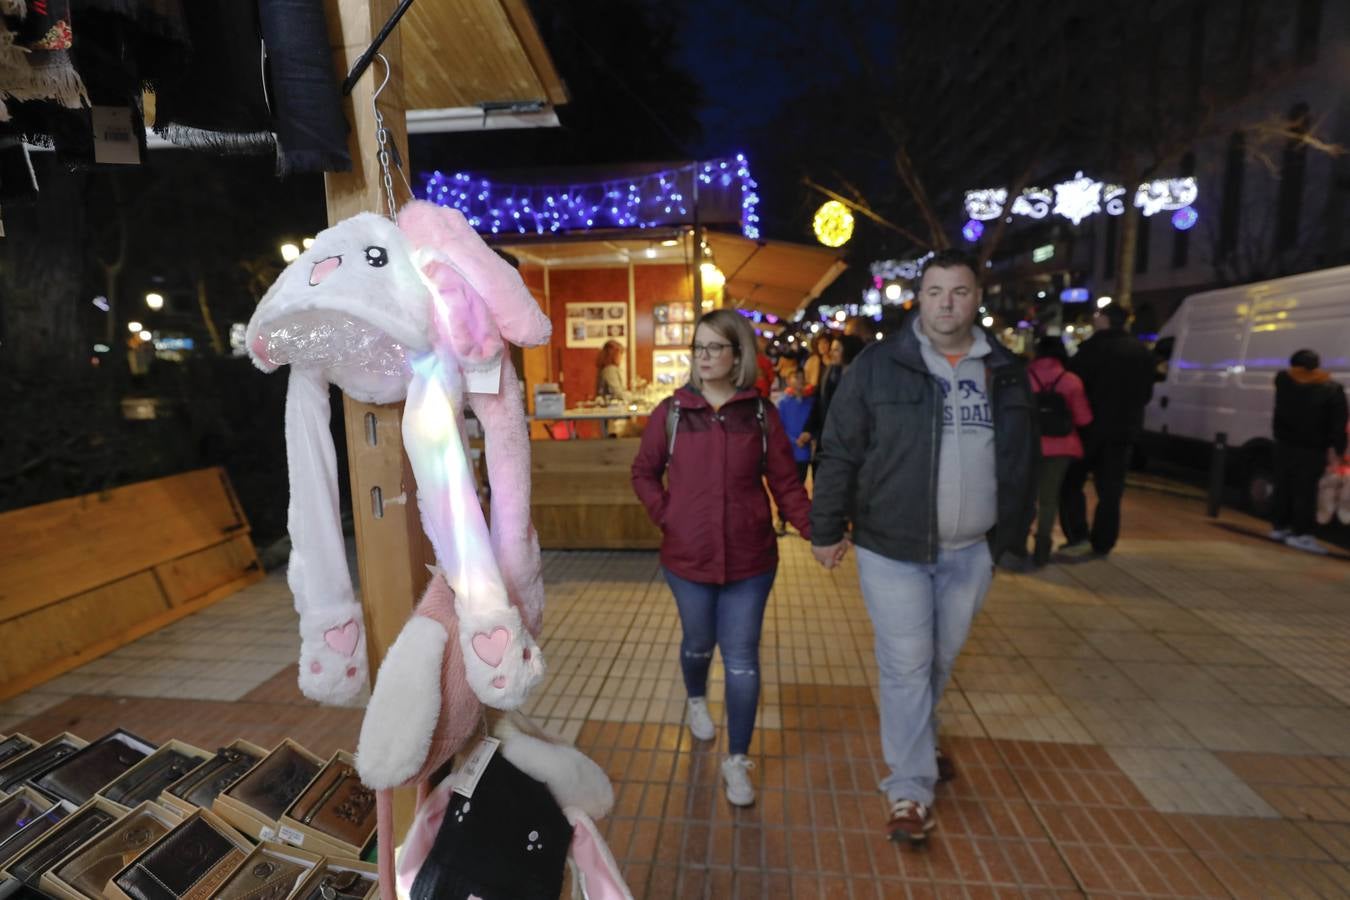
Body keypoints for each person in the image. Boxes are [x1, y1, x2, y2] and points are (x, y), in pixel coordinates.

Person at [809, 248, 1036, 842]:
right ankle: (909, 789)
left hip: (972, 550)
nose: (946, 304)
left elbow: (1022, 456)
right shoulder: (880, 364)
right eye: (935, 292)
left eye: (959, 292)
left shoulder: (1005, 369)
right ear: (919, 299)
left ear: (976, 298)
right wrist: (825, 529)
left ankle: (920, 739)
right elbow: (840, 448)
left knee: (938, 659)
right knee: (907, 663)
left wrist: (1011, 535)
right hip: (893, 547)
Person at [631, 309, 812, 808]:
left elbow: (786, 483)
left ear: (738, 355)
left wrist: (815, 532)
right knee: (697, 644)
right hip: (687, 559)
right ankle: (696, 700)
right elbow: (643, 472)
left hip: (751, 561)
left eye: (715, 347)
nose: (704, 357)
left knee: (742, 660)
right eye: (699, 348)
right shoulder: (672, 413)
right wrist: (668, 515)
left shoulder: (760, 415)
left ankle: (737, 759)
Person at [1056, 303, 1155, 561]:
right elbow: (1146, 394)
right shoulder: (1141, 352)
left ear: (1105, 320)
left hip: (1088, 429)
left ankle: (1078, 535)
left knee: (1070, 484)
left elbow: (1073, 387)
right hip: (1123, 431)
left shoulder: (1091, 349)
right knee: (1111, 490)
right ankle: (1103, 542)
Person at [1269, 349, 1348, 554]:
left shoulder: (1283, 381)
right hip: (1312, 449)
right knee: (1306, 492)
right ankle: (1302, 534)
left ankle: (1279, 527)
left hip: (1284, 445)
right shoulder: (1331, 389)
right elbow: (1338, 424)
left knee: (1283, 486)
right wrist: (1339, 450)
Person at [1023, 336, 1093, 568]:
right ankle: (1042, 548)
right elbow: (1083, 419)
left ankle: (1018, 543)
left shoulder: (1024, 378)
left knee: (1026, 497)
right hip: (1061, 448)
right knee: (1049, 499)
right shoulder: (1071, 381)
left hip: (1028, 445)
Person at [798, 333, 863, 475]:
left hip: (849, 444)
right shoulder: (828, 374)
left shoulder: (860, 378)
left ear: (848, 351)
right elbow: (818, 404)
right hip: (826, 440)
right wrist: (808, 429)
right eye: (832, 349)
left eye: (836, 350)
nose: (832, 353)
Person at [775, 369, 816, 533]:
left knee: (800, 487)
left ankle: (802, 521)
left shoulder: (810, 402)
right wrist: (793, 440)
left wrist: (809, 437)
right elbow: (778, 427)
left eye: (801, 377)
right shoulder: (783, 402)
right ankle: (782, 519)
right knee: (786, 487)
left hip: (804, 453)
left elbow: (815, 424)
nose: (799, 380)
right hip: (788, 452)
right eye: (795, 377)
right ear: (788, 380)